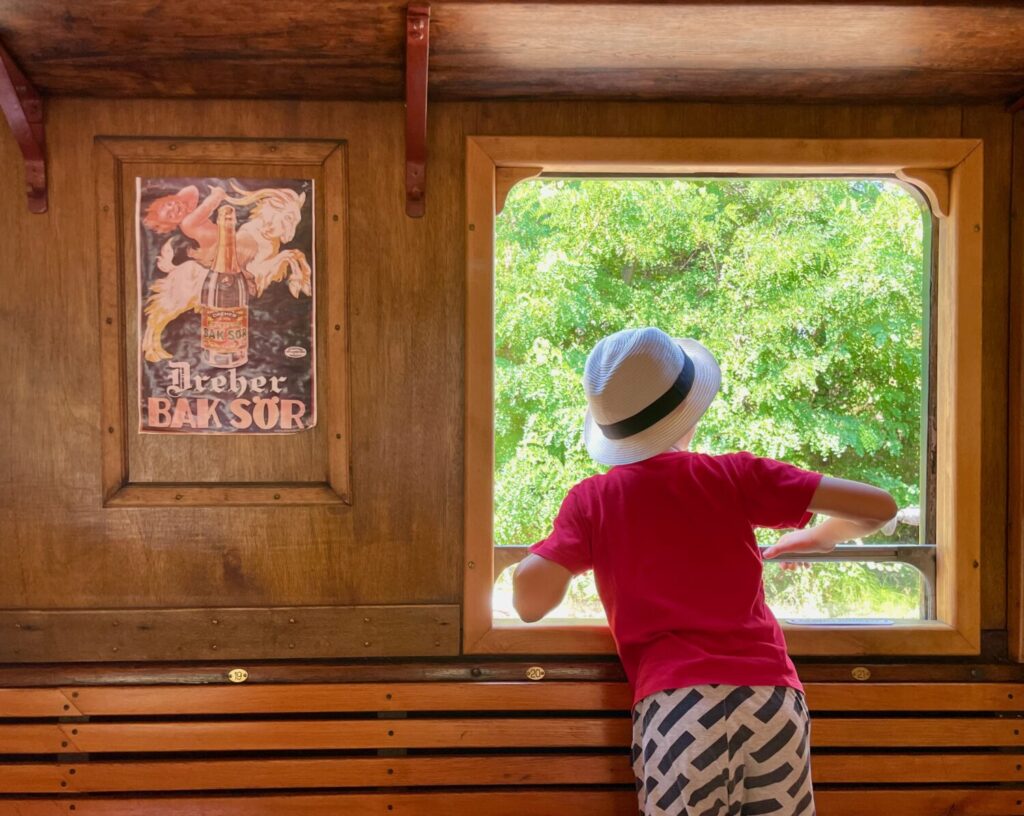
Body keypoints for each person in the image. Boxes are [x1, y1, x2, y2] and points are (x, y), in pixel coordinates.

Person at [512, 327, 897, 816]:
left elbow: (529, 602)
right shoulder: (736, 476)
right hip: (772, 699)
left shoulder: (593, 500)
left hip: (677, 706)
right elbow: (880, 507)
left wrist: (562, 553)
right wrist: (819, 536)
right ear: (687, 415)